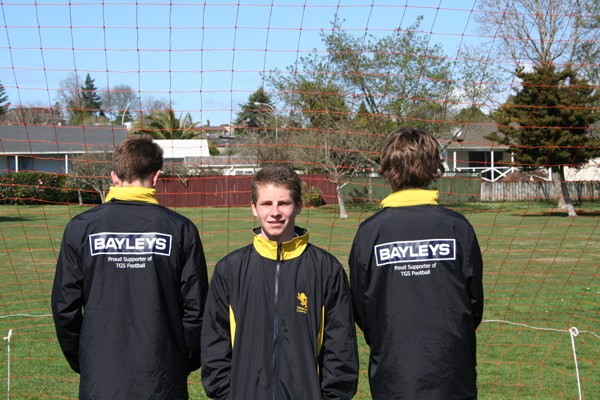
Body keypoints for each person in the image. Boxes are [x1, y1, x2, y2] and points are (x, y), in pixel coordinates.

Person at [51, 134, 209, 399]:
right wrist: (184, 358)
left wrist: (85, 358)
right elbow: (197, 310)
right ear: (156, 176)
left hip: (102, 378)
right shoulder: (181, 229)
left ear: (114, 177)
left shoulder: (80, 228)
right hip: (161, 376)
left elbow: (64, 307)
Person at [201, 163, 359, 400]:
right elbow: (215, 343)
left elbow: (341, 348)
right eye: (266, 203)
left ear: (298, 206)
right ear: (253, 207)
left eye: (283, 203)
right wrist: (227, 394)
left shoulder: (326, 269)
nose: (275, 212)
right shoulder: (229, 270)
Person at [349, 127, 484, 400]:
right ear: (434, 167)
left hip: (396, 372)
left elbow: (361, 308)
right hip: (449, 369)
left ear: (387, 169)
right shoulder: (458, 226)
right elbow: (474, 302)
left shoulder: (370, 232)